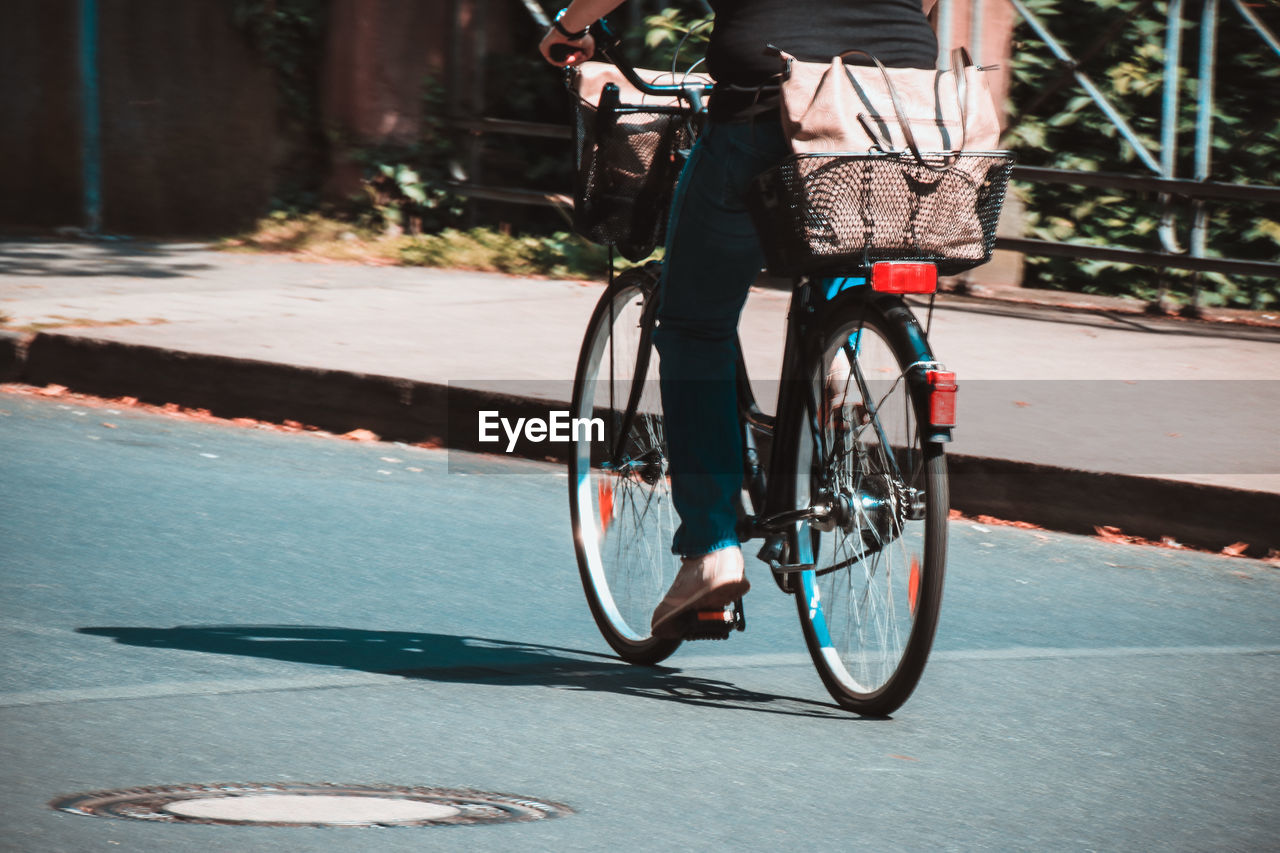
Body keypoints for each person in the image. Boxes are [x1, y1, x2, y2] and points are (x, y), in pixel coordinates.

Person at [541, 1, 938, 637]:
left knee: (694, 324)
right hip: (898, 106)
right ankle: (835, 354)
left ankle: (711, 550)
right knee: (837, 234)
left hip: (764, 108)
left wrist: (567, 29)